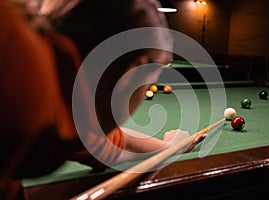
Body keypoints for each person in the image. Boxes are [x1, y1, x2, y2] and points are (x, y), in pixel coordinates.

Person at [0, 0, 207, 199]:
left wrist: (169, 147)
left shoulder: (68, 97)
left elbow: (109, 145)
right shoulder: (20, 85)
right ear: (132, 72)